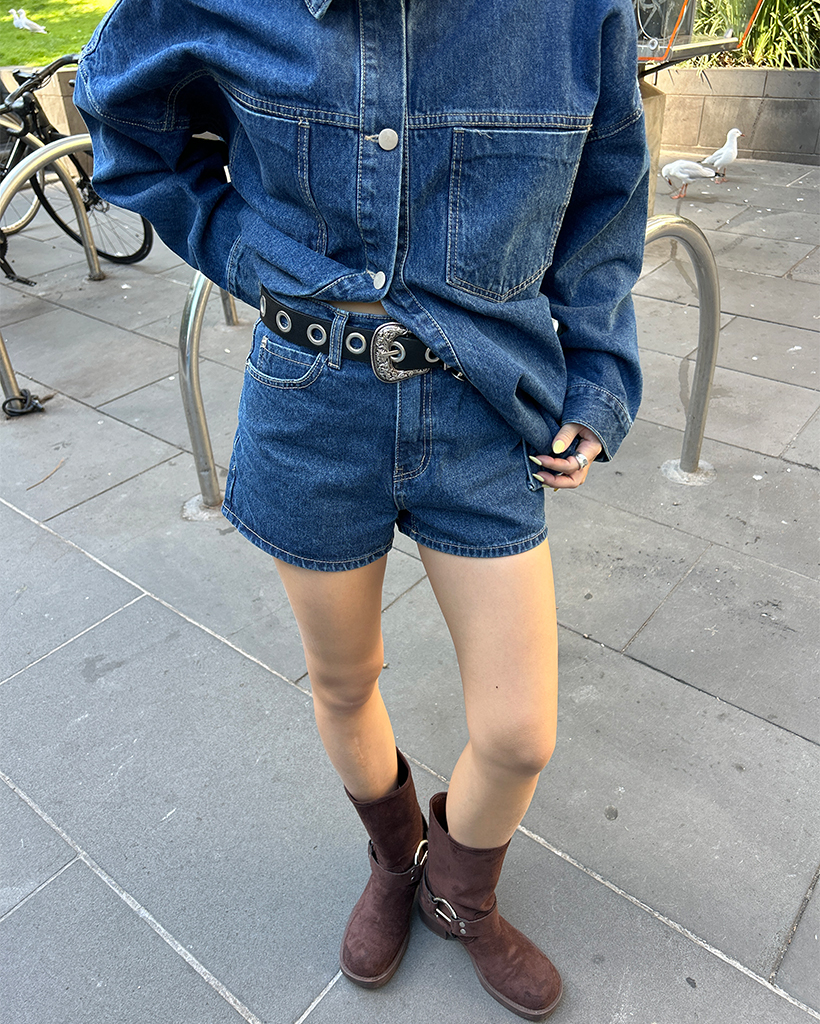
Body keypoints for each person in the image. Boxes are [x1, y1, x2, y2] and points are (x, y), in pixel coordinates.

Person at [74, 1, 648, 1018]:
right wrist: (248, 254)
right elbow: (120, 119)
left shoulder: (569, 13)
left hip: (485, 403)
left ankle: (461, 895)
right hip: (311, 403)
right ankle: (396, 860)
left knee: (519, 732)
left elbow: (610, 193)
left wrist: (599, 375)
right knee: (346, 680)